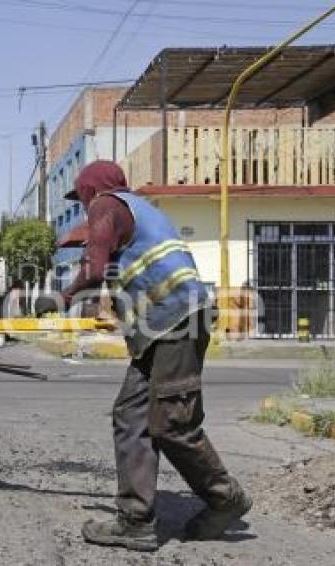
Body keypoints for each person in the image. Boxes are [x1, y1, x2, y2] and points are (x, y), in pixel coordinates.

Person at [57, 160, 251, 552]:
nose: (82, 207)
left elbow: (94, 269)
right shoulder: (141, 212)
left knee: (171, 423)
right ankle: (136, 522)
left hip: (177, 321)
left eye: (80, 197)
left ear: (90, 188)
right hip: (161, 329)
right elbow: (118, 270)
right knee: (131, 416)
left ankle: (224, 495)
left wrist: (65, 295)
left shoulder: (105, 204)